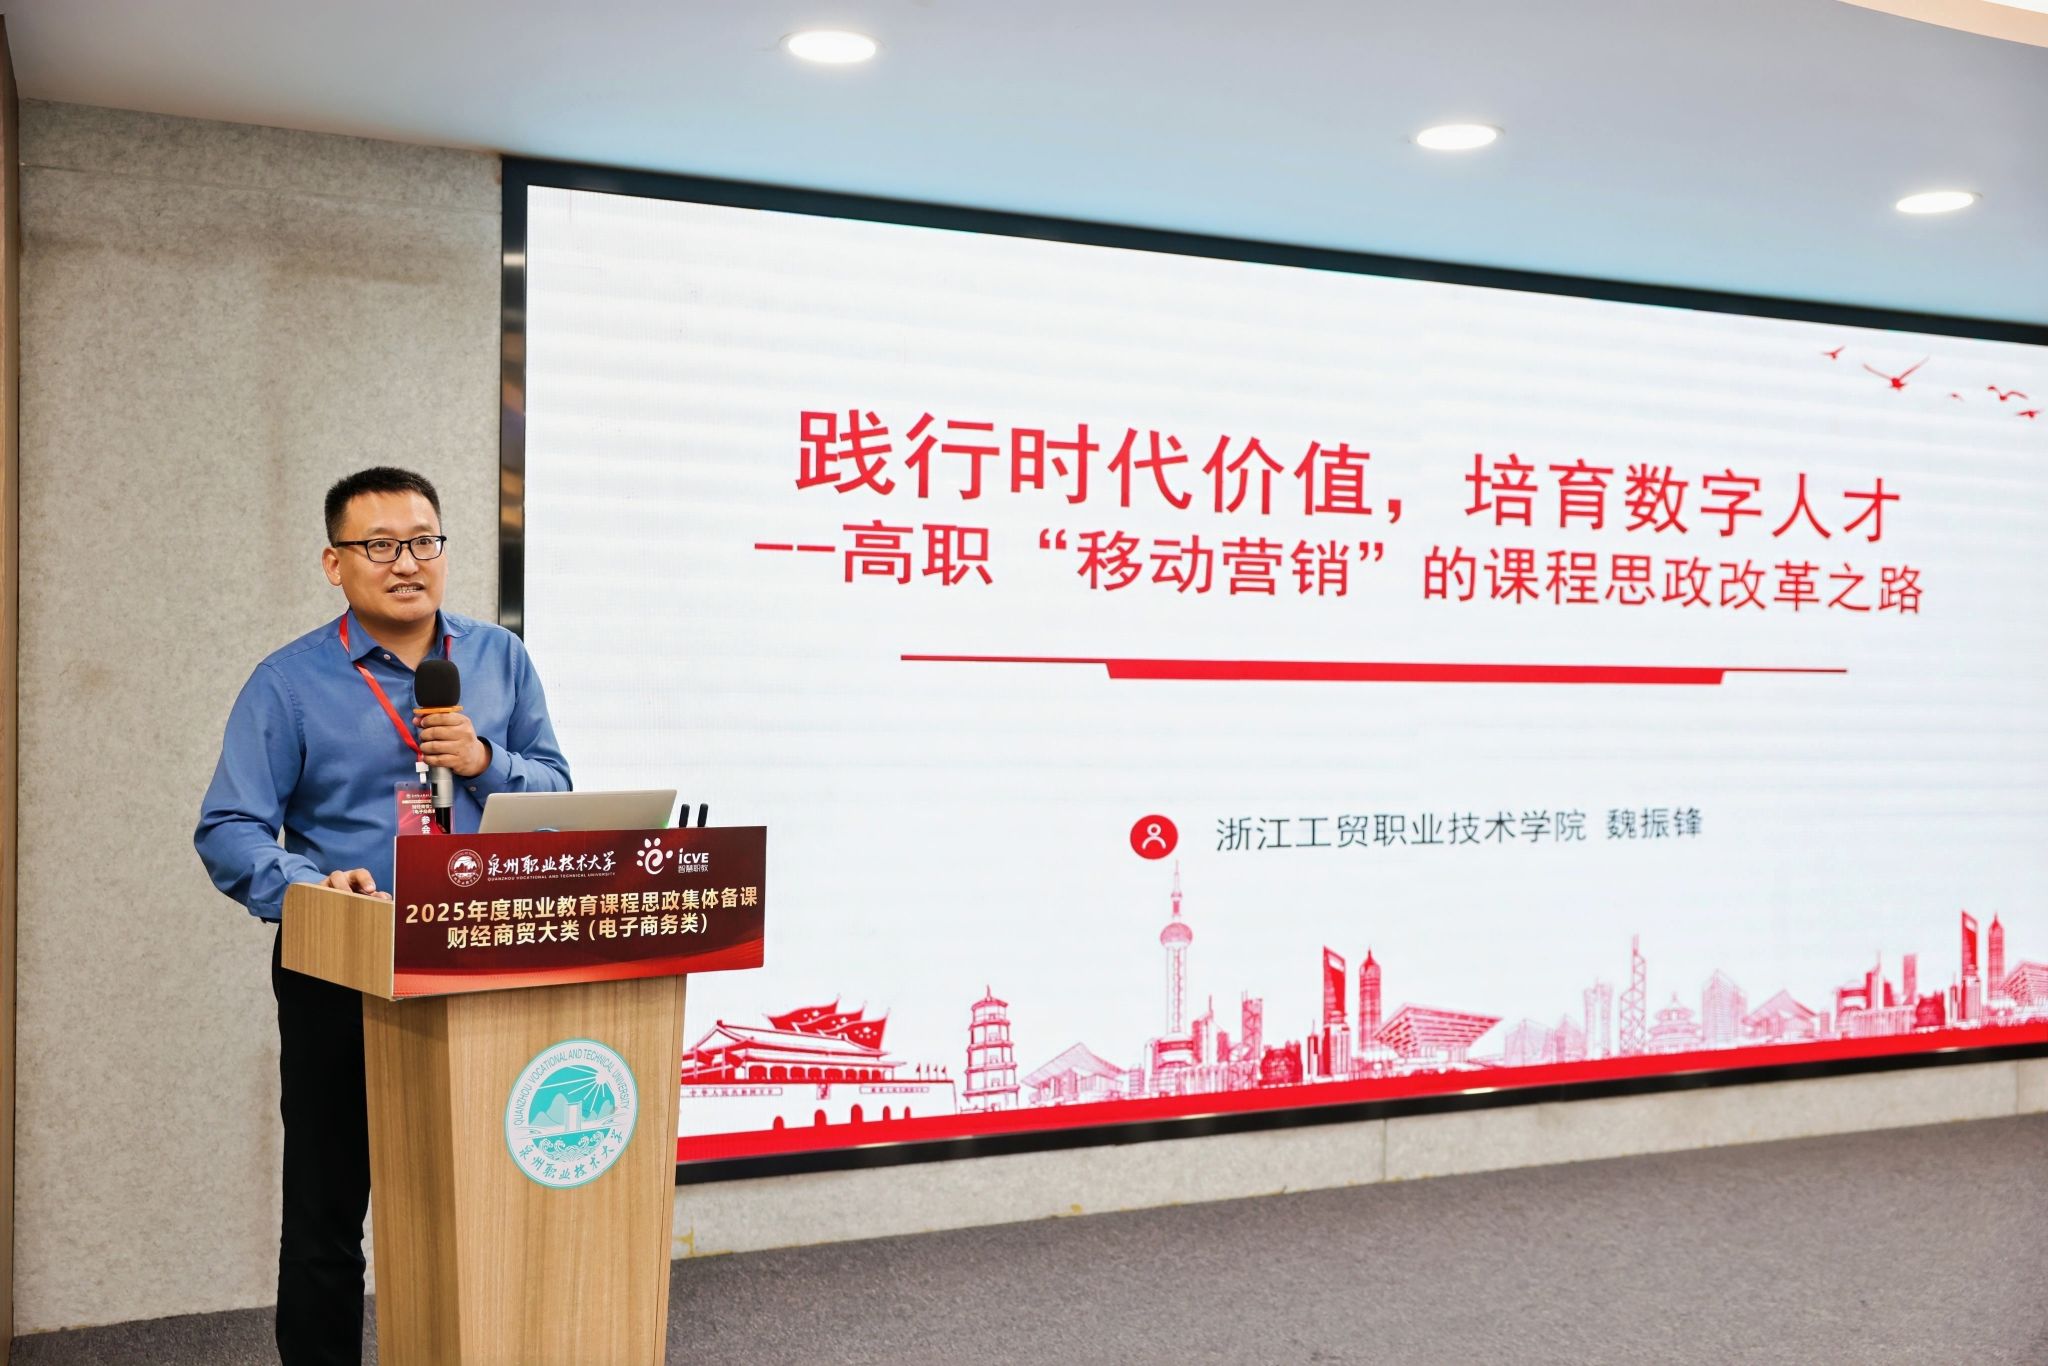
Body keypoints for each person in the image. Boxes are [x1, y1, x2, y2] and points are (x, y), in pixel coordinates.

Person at [195, 467, 571, 1365]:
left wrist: (483, 760)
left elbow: (556, 792)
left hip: (482, 956)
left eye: (423, 541)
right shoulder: (288, 683)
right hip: (344, 964)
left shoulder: (499, 658)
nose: (407, 563)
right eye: (380, 545)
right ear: (336, 563)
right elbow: (229, 826)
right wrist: (310, 887)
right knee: (327, 1208)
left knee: (489, 1192)